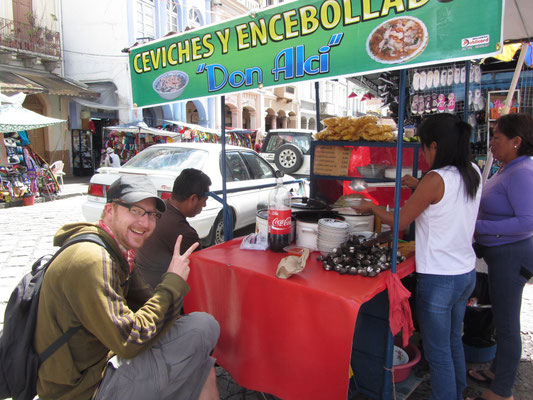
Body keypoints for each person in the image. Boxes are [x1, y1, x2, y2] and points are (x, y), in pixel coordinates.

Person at [34, 175, 220, 400]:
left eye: (151, 214)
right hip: (84, 388)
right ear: (110, 211)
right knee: (203, 333)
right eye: (134, 210)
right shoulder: (93, 259)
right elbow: (130, 342)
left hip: (104, 360)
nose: (145, 223)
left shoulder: (117, 251)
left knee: (202, 335)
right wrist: (173, 281)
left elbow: (145, 302)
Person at [354, 113, 481, 400]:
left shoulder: (435, 179)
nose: (423, 154)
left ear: (434, 146)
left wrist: (371, 208)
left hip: (440, 280)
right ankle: (459, 393)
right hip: (465, 273)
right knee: (453, 342)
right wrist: (416, 185)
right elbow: (446, 202)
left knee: (438, 354)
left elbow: (399, 222)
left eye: (423, 148)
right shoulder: (471, 171)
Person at [468, 113, 533, 400]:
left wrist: (478, 227)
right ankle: (497, 370)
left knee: (507, 326)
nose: (491, 141)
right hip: (500, 254)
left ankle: (502, 391)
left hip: (511, 255)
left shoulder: (522, 172)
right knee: (500, 317)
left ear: (516, 141)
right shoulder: (508, 167)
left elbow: (527, 221)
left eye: (496, 137)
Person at [136, 168, 211, 289]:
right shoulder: (183, 232)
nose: (205, 205)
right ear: (193, 199)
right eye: (204, 201)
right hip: (159, 293)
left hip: (141, 283)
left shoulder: (157, 209)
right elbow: (200, 270)